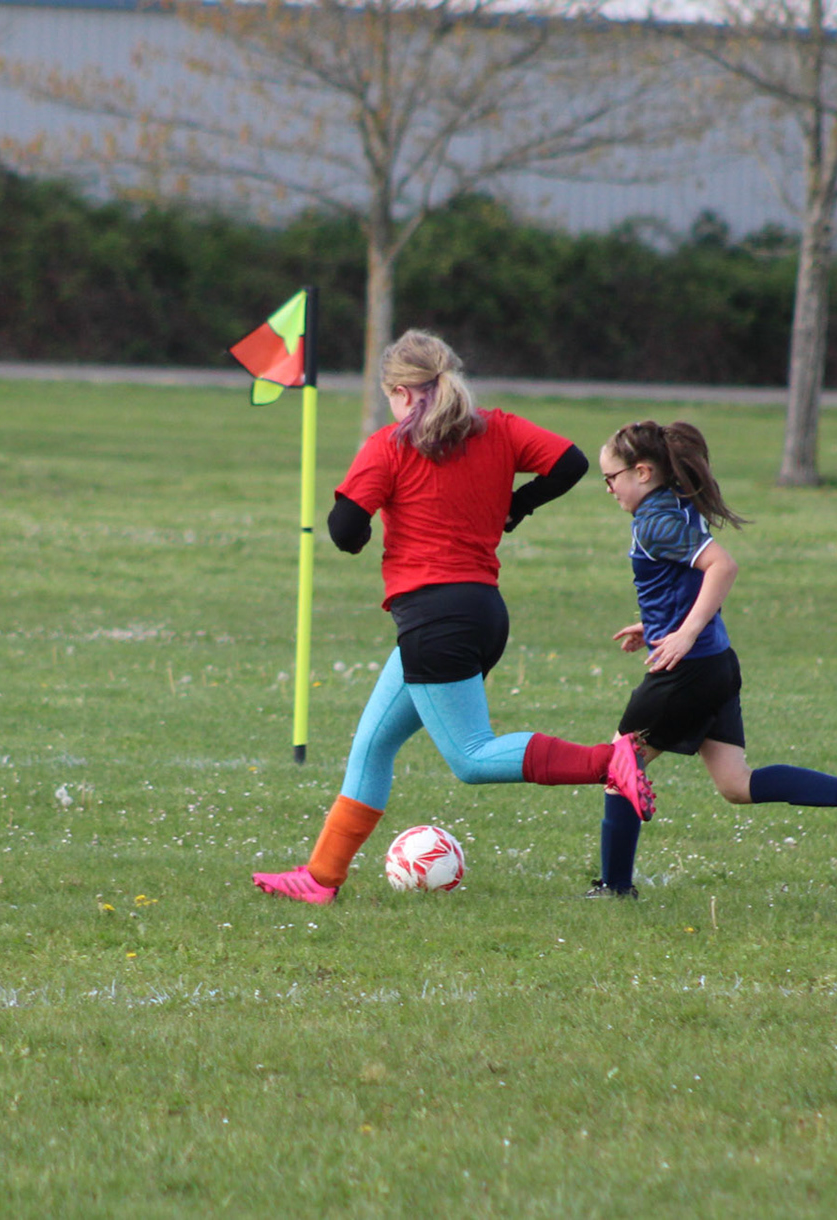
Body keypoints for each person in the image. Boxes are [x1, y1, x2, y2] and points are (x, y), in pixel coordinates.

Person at [253, 330, 654, 905]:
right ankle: (321, 878)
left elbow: (343, 530)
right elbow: (570, 462)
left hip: (435, 619)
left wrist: (364, 529)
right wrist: (519, 504)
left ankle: (610, 762)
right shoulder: (498, 428)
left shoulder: (390, 446)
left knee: (471, 757)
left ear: (399, 392)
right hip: (481, 613)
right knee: (373, 744)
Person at [586, 419, 837, 898]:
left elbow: (722, 567)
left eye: (611, 477)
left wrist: (684, 634)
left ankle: (615, 887)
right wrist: (655, 627)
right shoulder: (676, 504)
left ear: (643, 472)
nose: (608, 488)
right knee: (736, 784)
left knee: (620, 768)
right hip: (716, 665)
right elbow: (683, 584)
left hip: (688, 672)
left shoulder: (656, 520)